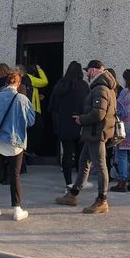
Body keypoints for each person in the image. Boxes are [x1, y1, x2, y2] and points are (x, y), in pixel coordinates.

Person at [55, 60, 117, 214]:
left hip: (96, 133)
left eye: (88, 70)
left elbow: (99, 113)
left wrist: (81, 119)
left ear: (95, 71)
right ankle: (73, 194)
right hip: (92, 134)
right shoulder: (102, 87)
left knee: (100, 166)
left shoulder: (100, 89)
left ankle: (102, 200)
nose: (86, 74)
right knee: (84, 163)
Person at [0, 70, 35, 221]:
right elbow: (31, 120)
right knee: (15, 175)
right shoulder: (23, 99)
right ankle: (16, 208)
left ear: (6, 82)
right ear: (18, 83)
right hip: (16, 141)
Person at [49, 61, 88, 191]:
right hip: (79, 123)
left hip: (64, 125)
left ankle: (68, 183)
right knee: (80, 155)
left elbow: (52, 106)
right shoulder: (83, 86)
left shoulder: (60, 85)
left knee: (67, 154)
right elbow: (87, 105)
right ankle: (79, 183)